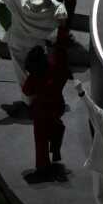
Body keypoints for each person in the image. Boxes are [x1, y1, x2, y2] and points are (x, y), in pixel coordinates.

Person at [21, 27, 71, 183]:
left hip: (41, 112)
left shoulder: (35, 78)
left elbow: (27, 91)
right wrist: (62, 27)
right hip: (57, 107)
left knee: (40, 141)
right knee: (55, 126)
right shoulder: (56, 69)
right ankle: (55, 149)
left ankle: (43, 169)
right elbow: (61, 53)